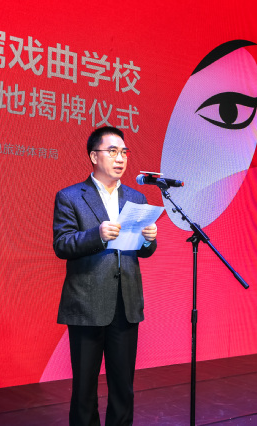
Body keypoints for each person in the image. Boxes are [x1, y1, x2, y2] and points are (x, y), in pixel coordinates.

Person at [52, 126, 158, 425]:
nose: (120, 158)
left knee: (123, 387)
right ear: (94, 156)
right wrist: (96, 235)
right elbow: (62, 244)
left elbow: (144, 251)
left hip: (125, 303)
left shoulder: (136, 197)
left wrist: (149, 240)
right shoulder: (70, 196)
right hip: (86, 304)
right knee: (84, 389)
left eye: (124, 152)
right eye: (112, 151)